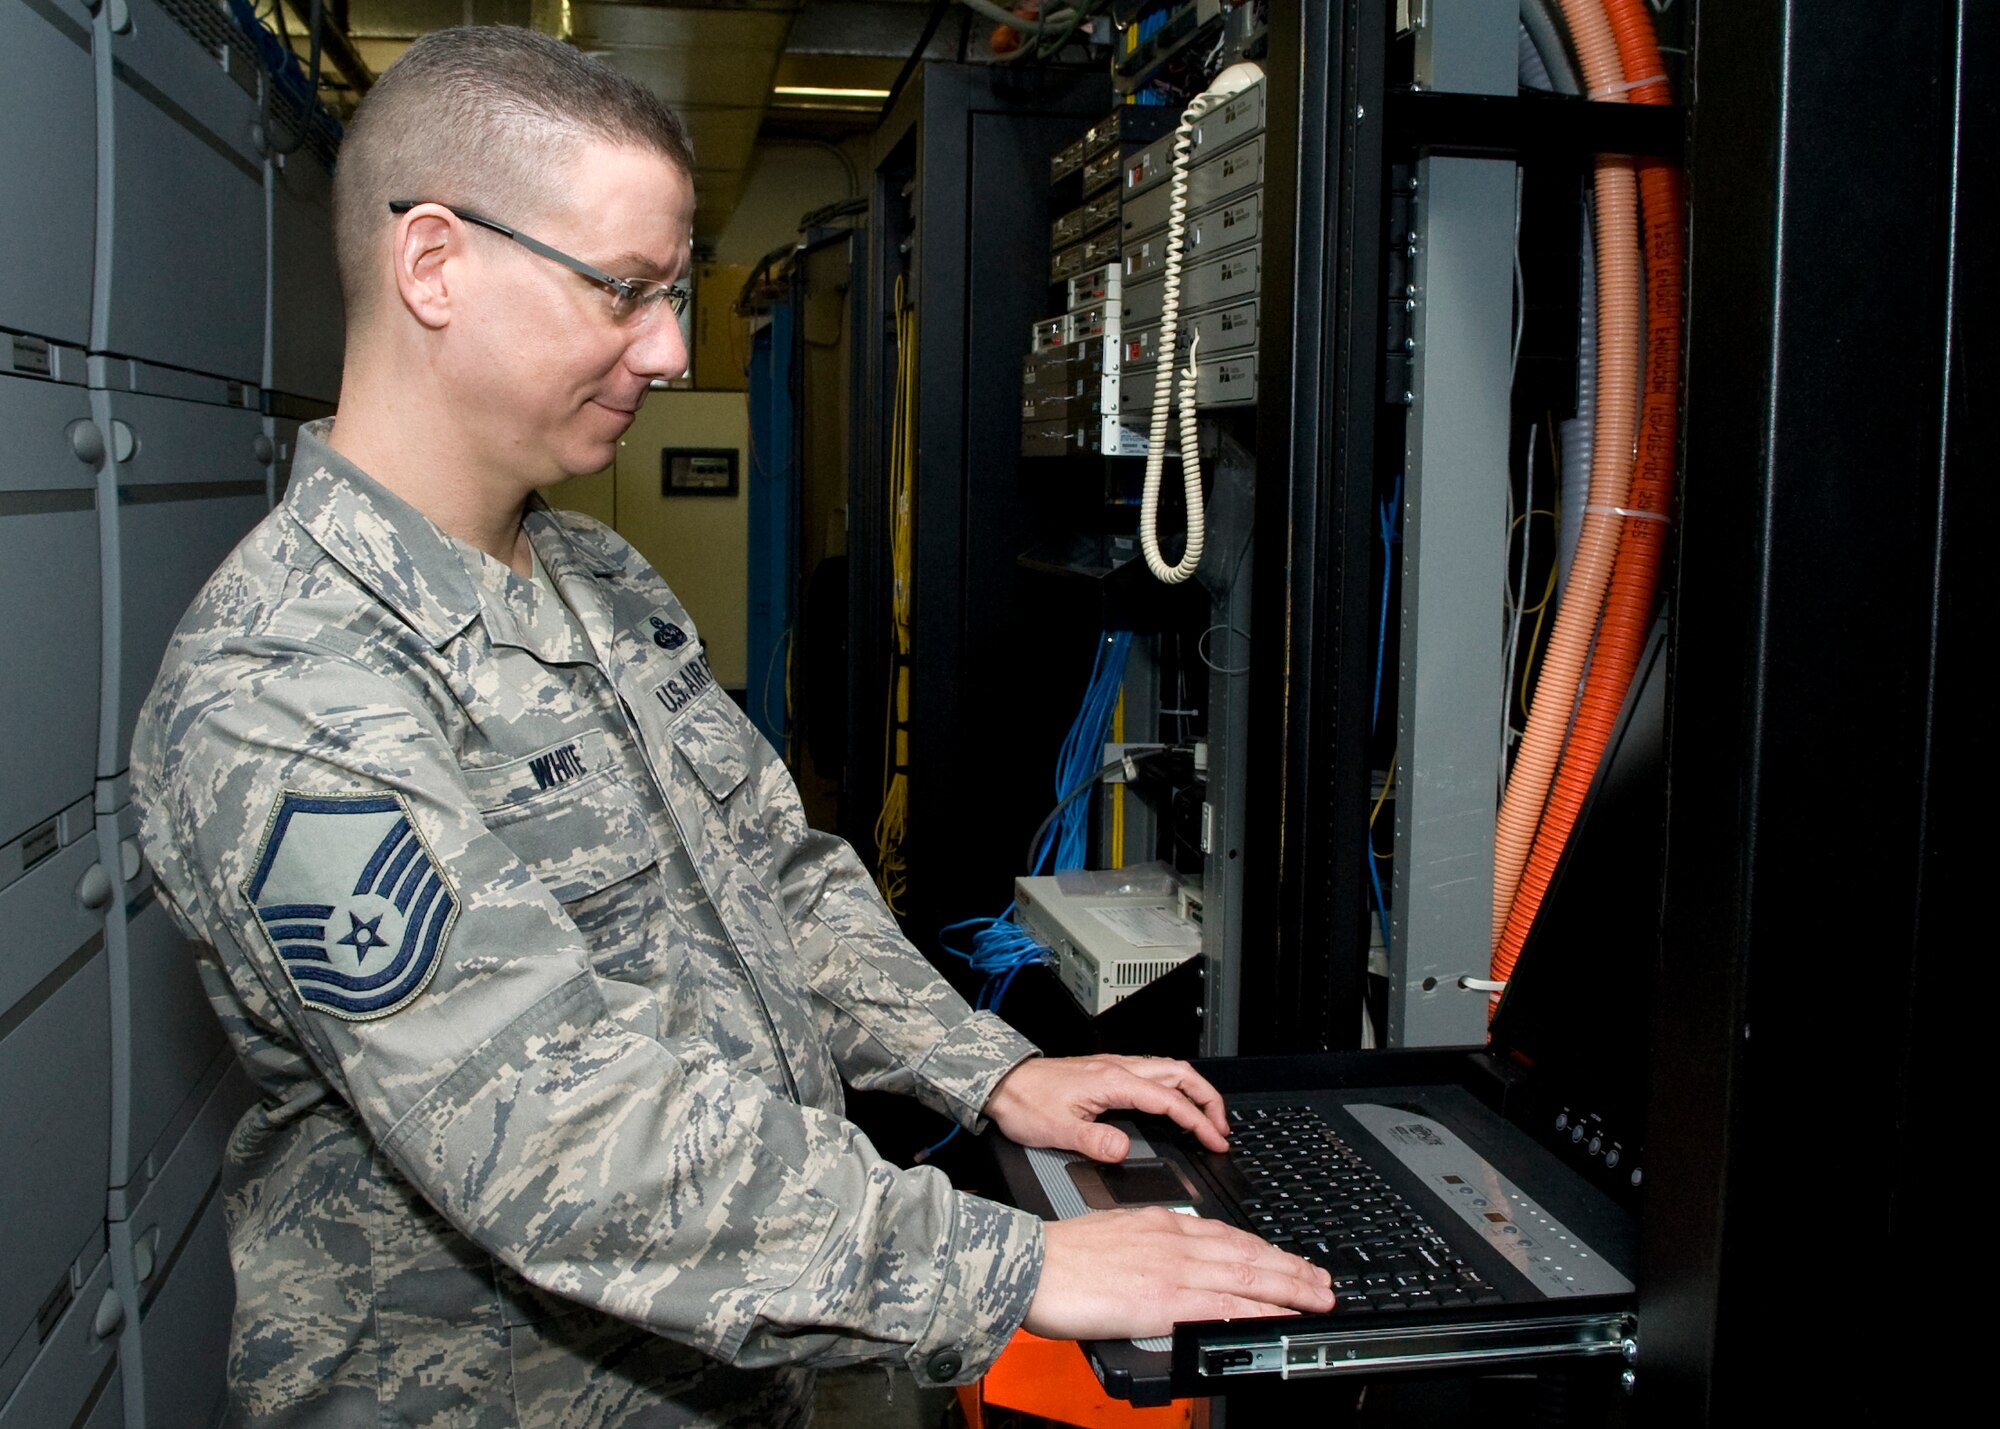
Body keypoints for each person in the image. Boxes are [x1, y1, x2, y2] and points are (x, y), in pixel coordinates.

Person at [132, 24, 1331, 1428]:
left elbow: (776, 876)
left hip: (737, 1374)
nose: (670, 349)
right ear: (435, 264)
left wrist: (987, 1069)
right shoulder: (286, 683)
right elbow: (552, 1130)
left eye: (674, 292)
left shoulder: (594, 576)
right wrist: (1010, 1266)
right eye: (625, 291)